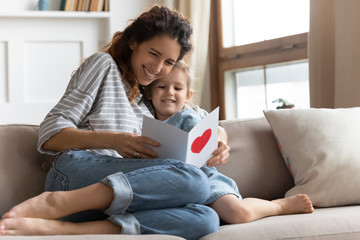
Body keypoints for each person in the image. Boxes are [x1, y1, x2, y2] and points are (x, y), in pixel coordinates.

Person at [0, 5, 225, 240]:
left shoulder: (150, 97)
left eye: (169, 61)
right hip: (74, 175)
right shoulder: (103, 66)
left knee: (205, 218)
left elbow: (194, 114)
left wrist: (220, 137)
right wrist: (115, 141)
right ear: (133, 42)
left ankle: (66, 229)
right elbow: (50, 132)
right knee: (195, 182)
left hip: (116, 202)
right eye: (154, 54)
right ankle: (54, 202)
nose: (158, 69)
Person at [145, 60, 314, 224]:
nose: (170, 92)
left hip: (205, 177)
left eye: (177, 88)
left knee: (238, 213)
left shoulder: (192, 114)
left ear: (188, 95)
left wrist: (219, 141)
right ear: (149, 92)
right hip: (170, 186)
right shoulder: (142, 122)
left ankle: (278, 206)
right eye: (162, 87)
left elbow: (219, 130)